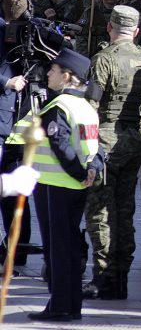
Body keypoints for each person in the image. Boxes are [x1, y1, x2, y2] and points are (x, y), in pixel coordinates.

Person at [6, 48, 105, 322]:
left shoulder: (59, 107)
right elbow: (98, 147)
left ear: (67, 76)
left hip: (56, 185)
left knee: (58, 248)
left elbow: (60, 146)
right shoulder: (86, 106)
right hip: (75, 185)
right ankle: (71, 304)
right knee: (71, 245)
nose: (48, 74)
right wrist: (90, 172)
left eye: (53, 70)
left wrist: (77, 173)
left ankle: (60, 305)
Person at [81, 6, 141, 300]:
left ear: (110, 27)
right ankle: (121, 275)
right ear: (136, 31)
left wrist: (87, 145)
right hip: (132, 139)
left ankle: (103, 273)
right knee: (125, 210)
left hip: (105, 139)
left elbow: (91, 105)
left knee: (99, 208)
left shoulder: (104, 60)